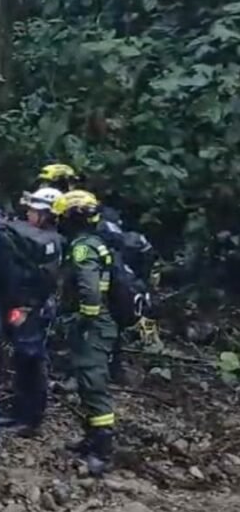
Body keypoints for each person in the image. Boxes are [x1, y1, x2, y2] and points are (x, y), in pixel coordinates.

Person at [37, 163, 156, 382]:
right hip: (90, 277)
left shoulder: (86, 215)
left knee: (93, 325)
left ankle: (91, 374)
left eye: (53, 183)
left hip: (102, 279)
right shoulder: (65, 210)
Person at [52, 190, 118, 476]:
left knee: (93, 382)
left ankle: (103, 451)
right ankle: (91, 438)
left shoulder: (82, 248)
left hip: (95, 324)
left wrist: (83, 320)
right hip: (98, 322)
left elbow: (89, 290)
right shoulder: (93, 242)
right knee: (85, 380)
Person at [0, 187, 64, 437]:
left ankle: (30, 418)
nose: (29, 214)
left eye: (34, 211)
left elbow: (41, 279)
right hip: (27, 307)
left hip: (35, 309)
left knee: (31, 361)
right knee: (22, 361)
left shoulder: (50, 241)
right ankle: (19, 413)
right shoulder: (40, 238)